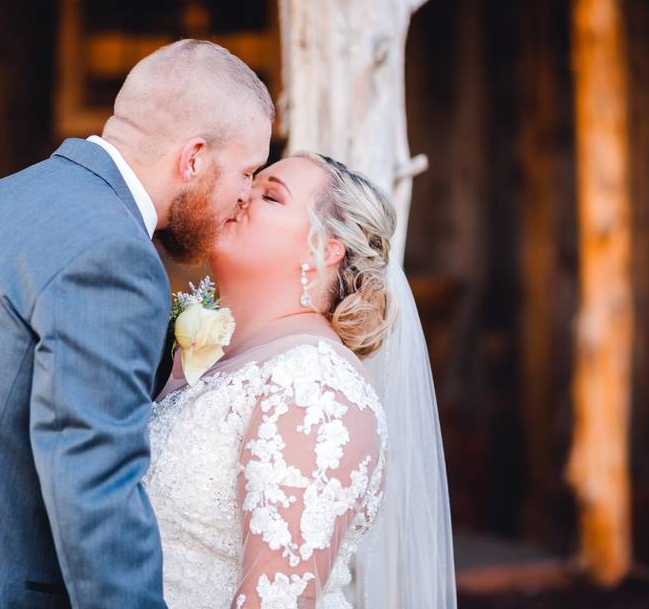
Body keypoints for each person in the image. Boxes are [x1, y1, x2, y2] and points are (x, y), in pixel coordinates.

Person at [0, 39, 272, 608]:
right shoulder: (111, 253)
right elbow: (96, 491)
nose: (245, 197)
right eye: (246, 171)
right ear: (192, 159)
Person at [143, 154, 457, 607]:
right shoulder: (218, 356)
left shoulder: (314, 388)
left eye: (270, 194)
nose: (239, 195)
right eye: (249, 182)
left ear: (327, 249)